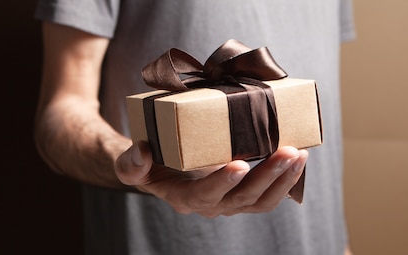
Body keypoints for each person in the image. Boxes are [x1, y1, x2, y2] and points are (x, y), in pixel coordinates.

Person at [33, 1, 356, 254]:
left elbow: (321, 82)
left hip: (317, 240)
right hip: (167, 242)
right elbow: (61, 112)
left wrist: (340, 245)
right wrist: (140, 166)